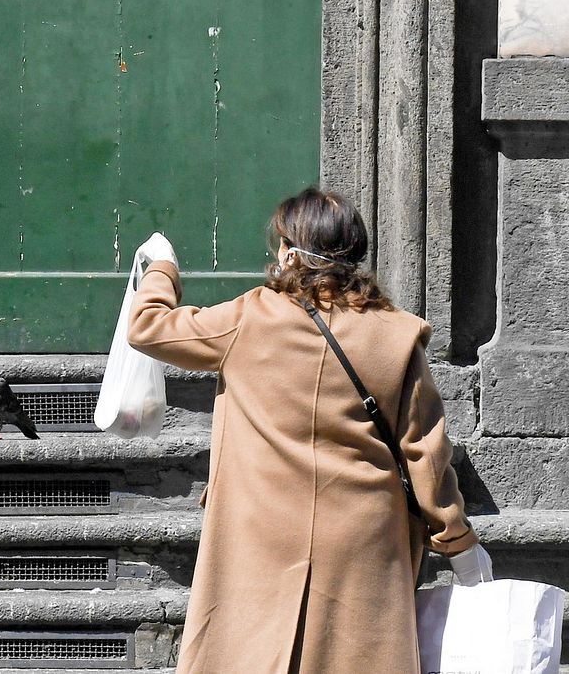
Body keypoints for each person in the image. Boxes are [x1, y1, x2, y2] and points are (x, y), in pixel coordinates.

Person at [127, 187, 492, 672]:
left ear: (290, 253)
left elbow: (148, 326)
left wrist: (161, 268)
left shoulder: (249, 318)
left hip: (260, 534)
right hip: (364, 537)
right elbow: (425, 451)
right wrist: (459, 544)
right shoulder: (398, 334)